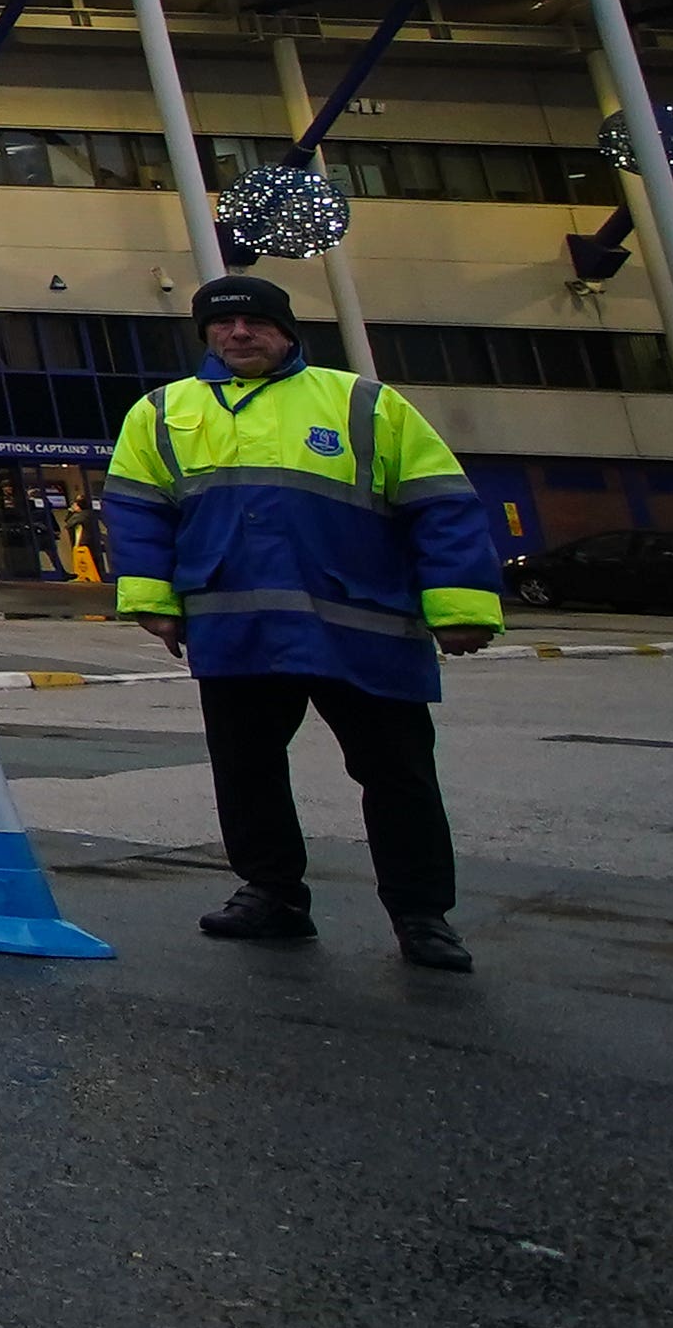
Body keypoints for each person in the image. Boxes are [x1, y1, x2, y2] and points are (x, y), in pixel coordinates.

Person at [104, 273, 503, 972]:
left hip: (362, 624)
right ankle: (272, 895)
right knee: (247, 770)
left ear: (288, 330)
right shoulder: (162, 411)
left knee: (398, 774)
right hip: (237, 626)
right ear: (205, 335)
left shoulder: (361, 402)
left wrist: (460, 607)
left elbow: (441, 504)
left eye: (255, 322)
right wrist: (152, 603)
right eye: (222, 325)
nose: (238, 334)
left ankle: (422, 915)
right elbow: (138, 512)